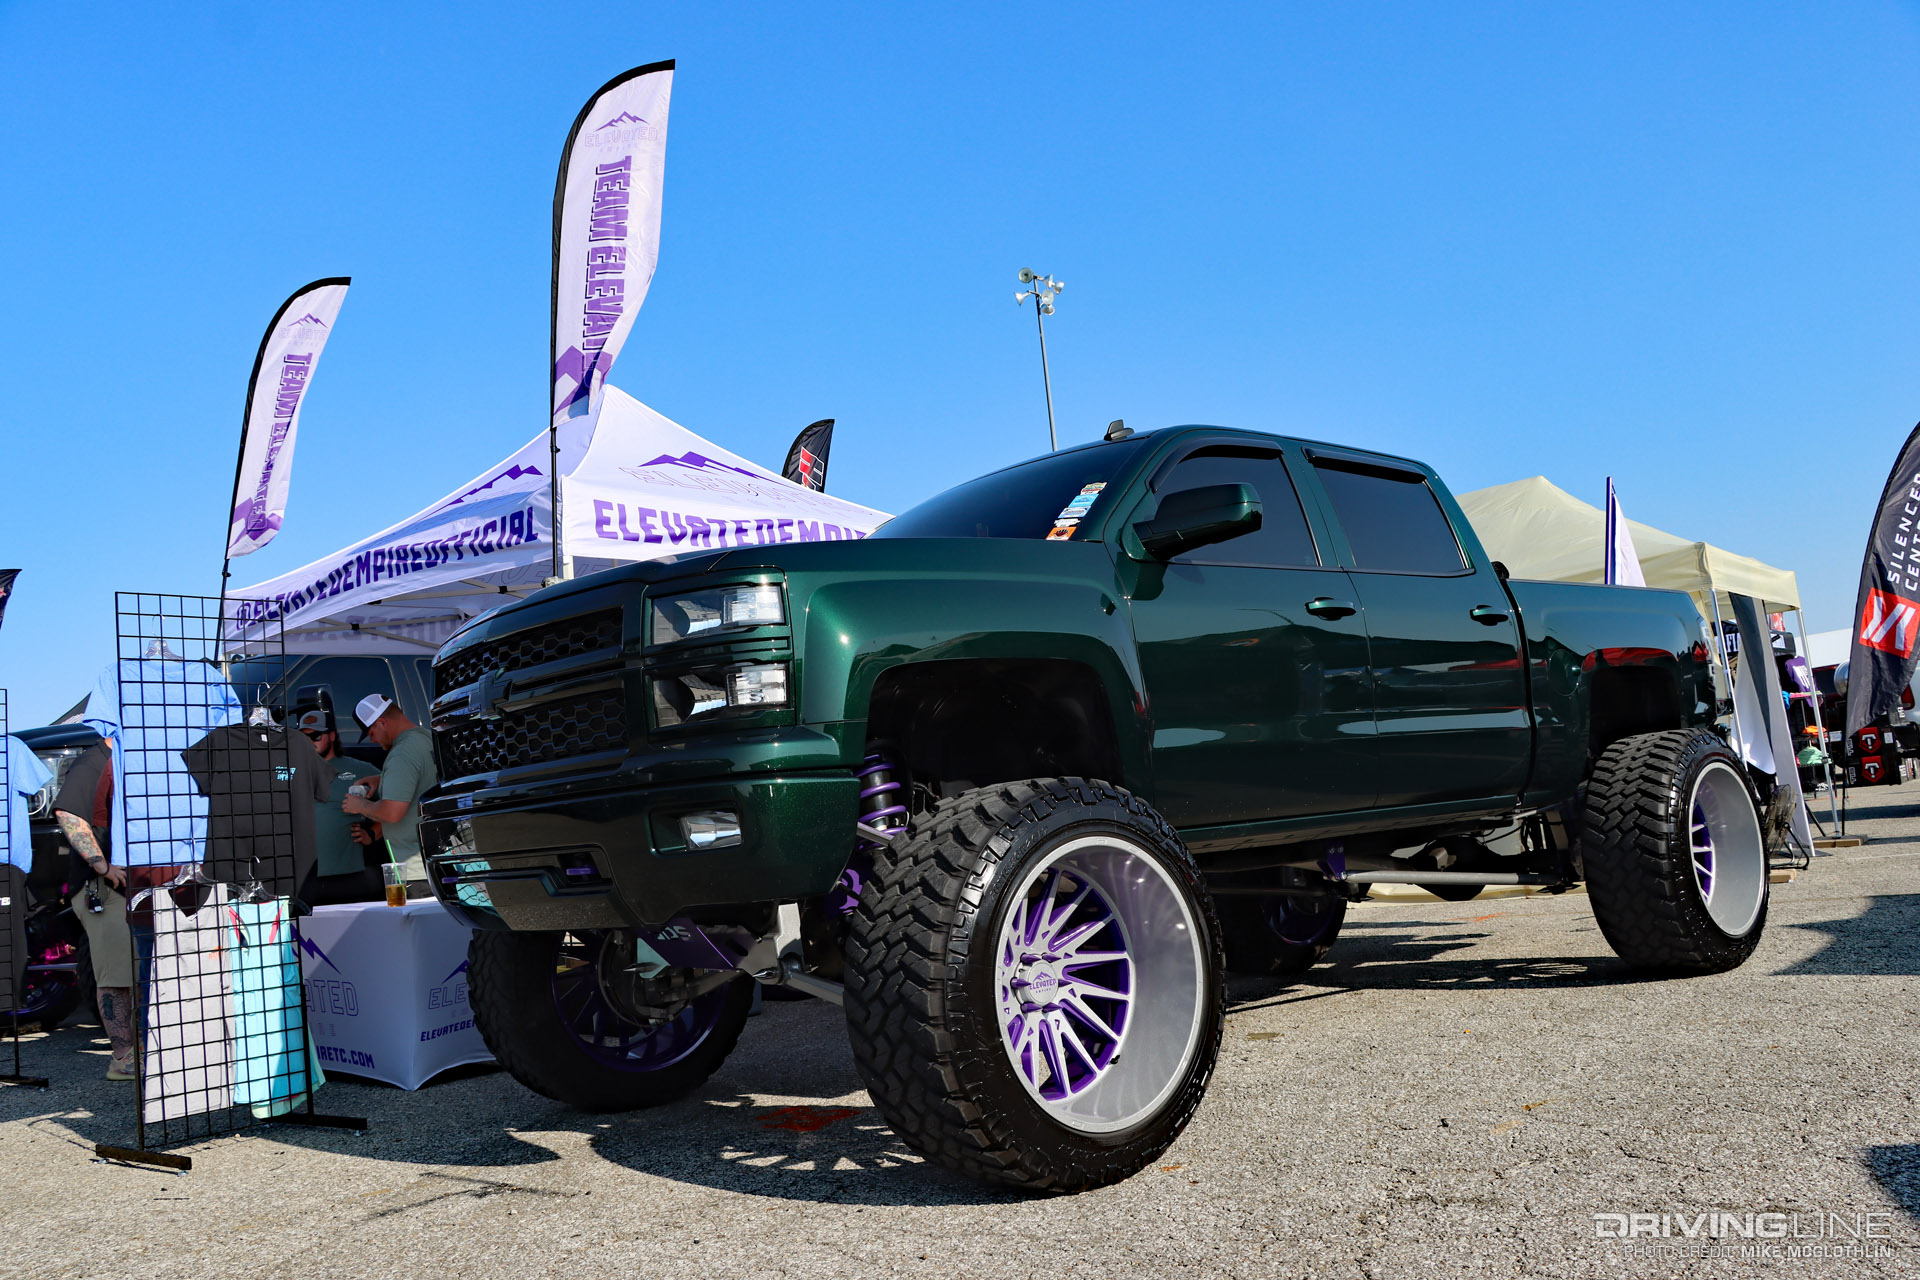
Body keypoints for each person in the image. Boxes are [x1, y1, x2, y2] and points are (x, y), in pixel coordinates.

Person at [50, 740, 134, 1080]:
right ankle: (123, 1059)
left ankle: (137, 1053)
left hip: (132, 886)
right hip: (103, 890)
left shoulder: (135, 753)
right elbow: (68, 814)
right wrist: (101, 865)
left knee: (136, 972)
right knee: (116, 976)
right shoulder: (96, 759)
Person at [341, 695, 437, 896]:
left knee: (414, 926)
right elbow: (420, 778)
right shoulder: (426, 738)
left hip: (414, 873)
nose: (372, 740)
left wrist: (359, 806)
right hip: (434, 863)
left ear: (382, 722)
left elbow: (392, 813)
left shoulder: (401, 754)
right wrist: (383, 779)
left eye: (371, 733)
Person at [293, 707, 384, 906]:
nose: (309, 742)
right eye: (303, 737)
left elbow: (399, 802)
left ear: (332, 736)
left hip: (348, 876)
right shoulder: (288, 770)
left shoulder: (358, 769)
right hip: (300, 880)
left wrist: (374, 832)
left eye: (316, 736)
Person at [3, 735, 52, 1015]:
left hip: (7, 861)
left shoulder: (11, 748)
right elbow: (38, 788)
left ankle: (8, 1005)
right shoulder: (11, 747)